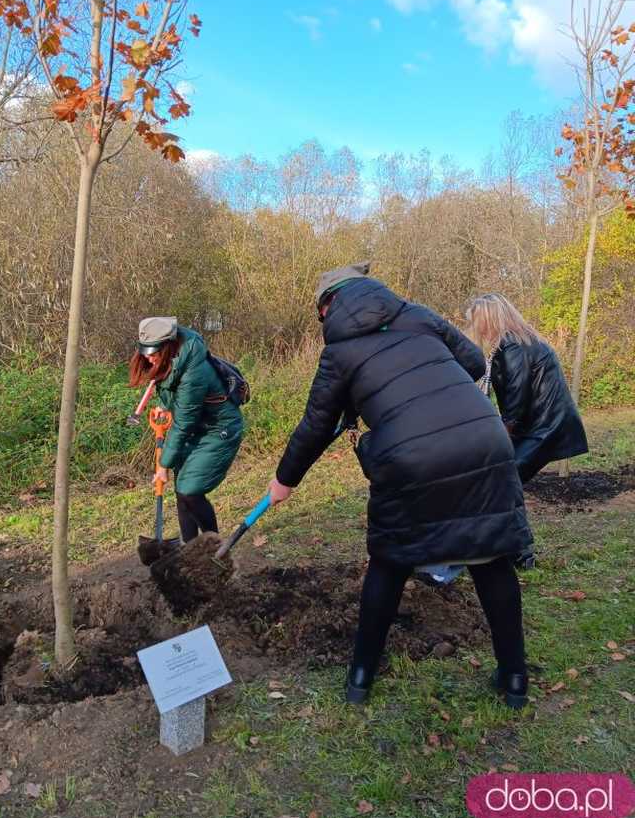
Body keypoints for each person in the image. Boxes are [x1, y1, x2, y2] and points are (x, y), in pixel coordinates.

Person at [268, 263, 533, 709]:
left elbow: (316, 424)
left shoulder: (340, 352)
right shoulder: (418, 315)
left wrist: (284, 480)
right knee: (489, 556)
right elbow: (471, 362)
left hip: (410, 457)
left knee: (390, 563)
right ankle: (514, 680)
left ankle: (359, 681)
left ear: (328, 306)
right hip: (484, 440)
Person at [465, 293, 589, 567]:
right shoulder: (518, 341)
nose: (477, 328)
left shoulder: (512, 346)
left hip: (543, 428)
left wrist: (499, 438)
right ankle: (515, 552)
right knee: (508, 483)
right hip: (543, 424)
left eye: (477, 321)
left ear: (489, 318)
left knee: (504, 481)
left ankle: (519, 553)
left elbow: (515, 402)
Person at [129, 317, 243, 543]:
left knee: (190, 491)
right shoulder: (172, 358)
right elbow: (176, 394)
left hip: (219, 430)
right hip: (197, 428)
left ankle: (213, 546)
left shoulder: (193, 371)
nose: (148, 357)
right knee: (182, 490)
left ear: (169, 345)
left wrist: (163, 465)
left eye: (154, 352)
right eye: (146, 351)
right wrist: (165, 404)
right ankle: (188, 546)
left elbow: (183, 423)